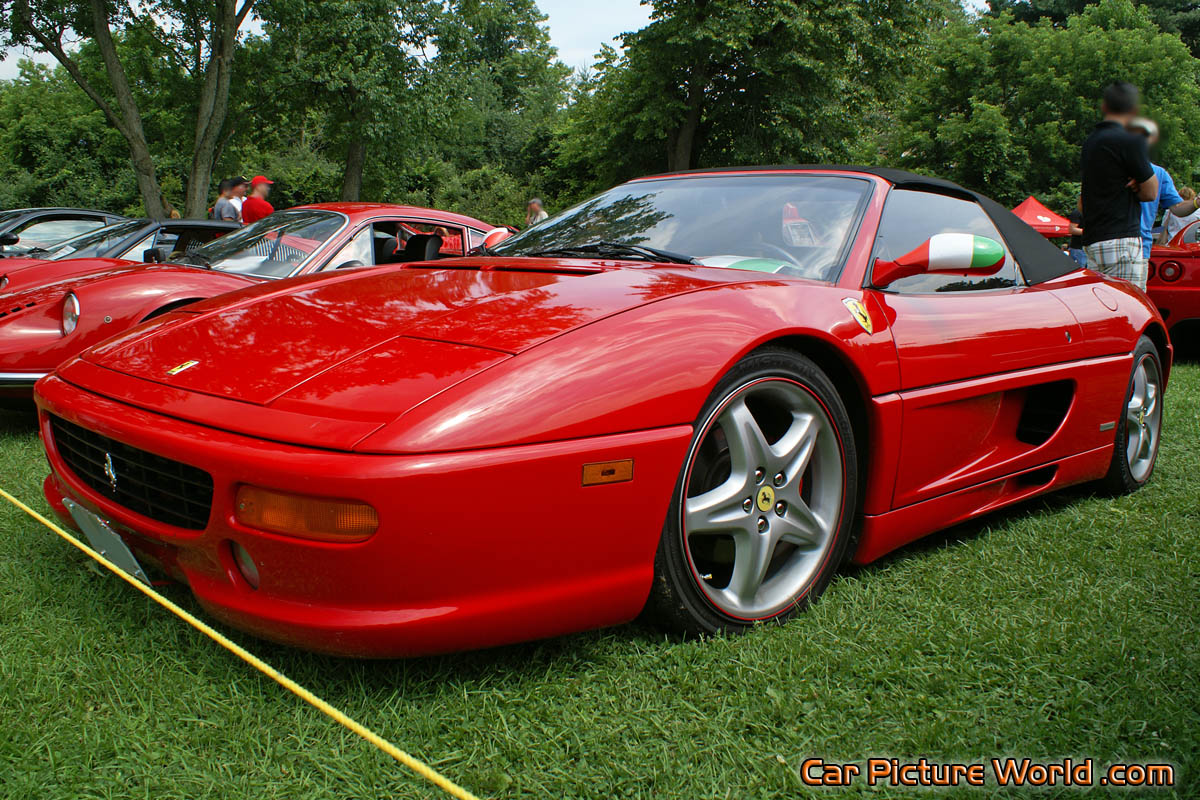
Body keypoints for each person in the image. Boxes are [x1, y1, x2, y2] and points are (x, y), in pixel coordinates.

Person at [1080, 82, 1158, 290]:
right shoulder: (1131, 139)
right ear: (1134, 110)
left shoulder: (1091, 142)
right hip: (1122, 241)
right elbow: (1151, 192)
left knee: (1101, 314)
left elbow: (1084, 199)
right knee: (1129, 313)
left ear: (1104, 106)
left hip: (1093, 241)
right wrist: (1139, 180)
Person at [1126, 117, 1197, 258]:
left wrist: (1197, 202)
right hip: (1109, 238)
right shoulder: (1113, 166)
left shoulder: (1159, 173)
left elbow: (1177, 208)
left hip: (1140, 245)